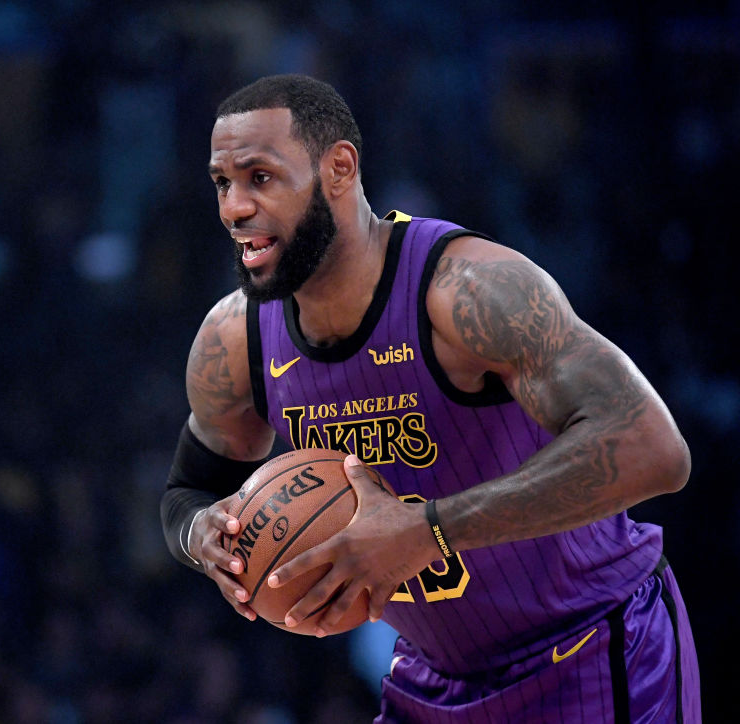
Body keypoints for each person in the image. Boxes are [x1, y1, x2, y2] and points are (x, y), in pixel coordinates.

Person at [159, 74, 700, 722]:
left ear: (338, 168)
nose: (234, 207)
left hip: (589, 645)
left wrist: (428, 532)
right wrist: (204, 537)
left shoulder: (468, 289)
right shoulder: (234, 337)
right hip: (433, 677)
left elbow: (654, 449)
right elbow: (188, 491)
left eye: (260, 177)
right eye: (223, 182)